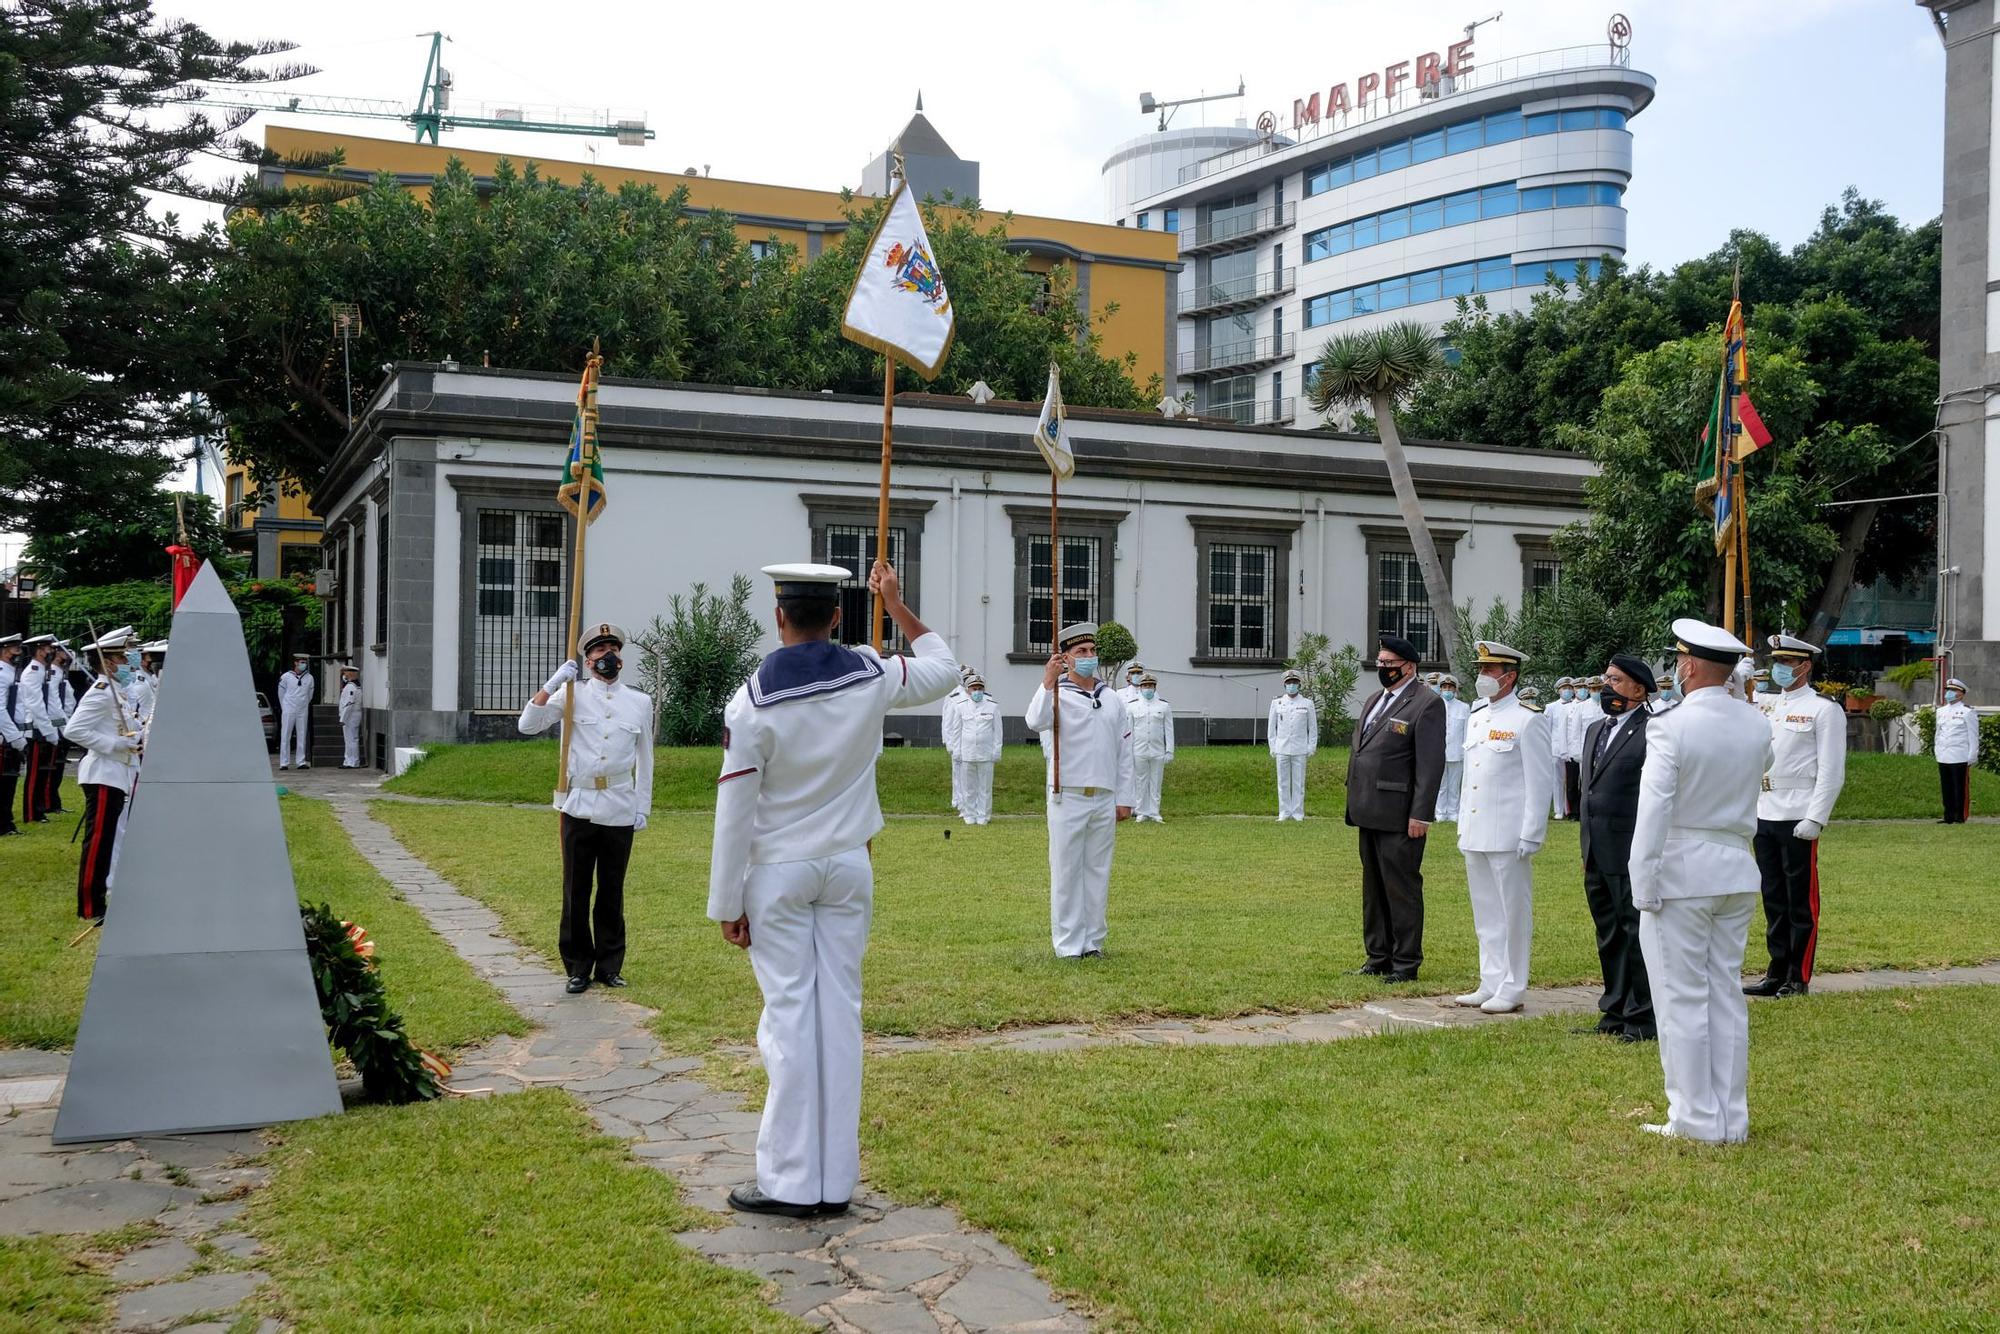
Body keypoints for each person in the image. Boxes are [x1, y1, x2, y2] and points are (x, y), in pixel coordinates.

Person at [708, 561, 957, 1218]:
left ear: (779, 616)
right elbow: (945, 667)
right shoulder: (872, 674)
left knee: (790, 1018)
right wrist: (898, 605)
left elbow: (735, 810)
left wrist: (726, 903)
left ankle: (792, 1180)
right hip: (848, 867)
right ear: (839, 616)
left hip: (780, 871)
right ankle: (834, 1180)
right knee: (838, 1014)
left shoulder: (752, 701)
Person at [1630, 619, 1771, 1143]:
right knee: (1724, 994)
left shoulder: (1670, 725)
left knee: (1681, 997)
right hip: (1736, 866)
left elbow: (1654, 811)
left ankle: (1693, 1118)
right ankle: (1731, 1116)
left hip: (1683, 870)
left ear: (1687, 666)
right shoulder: (1756, 723)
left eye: (1679, 660)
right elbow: (1767, 759)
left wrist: (1642, 880)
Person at [520, 620, 654, 994]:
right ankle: (578, 966)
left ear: (620, 659)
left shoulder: (639, 702)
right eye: (599, 651)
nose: (607, 656)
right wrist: (551, 685)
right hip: (577, 804)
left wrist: (642, 806)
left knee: (612, 890)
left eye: (613, 650)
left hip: (619, 805)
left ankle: (610, 966)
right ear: (587, 660)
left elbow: (646, 759)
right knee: (576, 890)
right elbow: (527, 725)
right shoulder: (572, 695)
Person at [1026, 622, 1135, 959]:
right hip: (1067, 794)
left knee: (1097, 871)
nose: (1089, 657)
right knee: (1067, 872)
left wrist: (1125, 798)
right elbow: (1035, 721)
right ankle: (1069, 944)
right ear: (1066, 658)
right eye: (1080, 653)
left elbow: (1123, 750)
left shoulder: (1112, 698)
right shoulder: (1057, 693)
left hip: (1103, 796)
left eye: (1092, 651)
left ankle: (1092, 942)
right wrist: (1047, 681)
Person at [1455, 640, 1552, 1014]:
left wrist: (1531, 832)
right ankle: (1490, 980)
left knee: (1513, 913)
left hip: (1509, 832)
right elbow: (1471, 779)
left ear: (1509, 677)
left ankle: (1513, 986)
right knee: (1486, 913)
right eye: (1481, 670)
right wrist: (1464, 825)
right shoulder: (1478, 715)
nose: (1482, 677)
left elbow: (1539, 781)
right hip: (1477, 829)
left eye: (1489, 671)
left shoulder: (1528, 718)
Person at [1746, 634, 1846, 999]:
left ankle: (1798, 975)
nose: (1780, 669)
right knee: (1773, 896)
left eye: (1787, 663)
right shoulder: (1769, 705)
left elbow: (1832, 771)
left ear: (1804, 666)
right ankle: (1776, 969)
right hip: (1765, 810)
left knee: (1799, 899)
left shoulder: (1824, 708)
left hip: (1798, 812)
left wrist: (1816, 817)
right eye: (1777, 662)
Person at [1344, 634, 1446, 982]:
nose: (1383, 669)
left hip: (1401, 814)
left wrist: (1421, 814)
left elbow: (1430, 766)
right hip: (1367, 809)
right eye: (1380, 663)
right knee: (1373, 889)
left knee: (1400, 889)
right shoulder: (1376, 698)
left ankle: (1405, 962)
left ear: (1409, 667)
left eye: (1389, 664)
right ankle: (1378, 956)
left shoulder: (1426, 703)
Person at [1576, 656, 1659, 1043]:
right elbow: (1587, 791)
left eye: (1616, 680)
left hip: (1630, 848)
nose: (1606, 686)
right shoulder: (1596, 728)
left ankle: (1642, 1016)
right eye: (1605, 679)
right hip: (1597, 848)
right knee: (1608, 932)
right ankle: (1613, 1009)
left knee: (1635, 933)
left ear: (1639, 690)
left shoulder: (1653, 730)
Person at [68, 628, 145, 921]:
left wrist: (133, 739)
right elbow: (74, 730)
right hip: (102, 775)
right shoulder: (101, 693)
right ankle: (90, 907)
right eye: (123, 657)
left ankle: (98, 900)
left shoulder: (116, 693)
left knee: (106, 839)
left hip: (117, 775)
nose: (128, 661)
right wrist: (115, 744)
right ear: (109, 662)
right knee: (98, 842)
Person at [17, 636, 58, 824]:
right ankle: (32, 813)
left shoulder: (42, 670)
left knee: (43, 772)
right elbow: (35, 704)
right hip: (35, 729)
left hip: (43, 727)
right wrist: (48, 730)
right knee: (35, 774)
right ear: (40, 650)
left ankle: (39, 809)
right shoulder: (33, 672)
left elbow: (51, 702)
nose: (52, 652)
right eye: (49, 649)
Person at [1268, 668, 1317, 821]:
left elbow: (1312, 727)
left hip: (1300, 748)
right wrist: (1273, 746)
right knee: (1282, 782)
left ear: (1299, 684)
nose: (1291, 685)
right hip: (1282, 747)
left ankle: (1297, 813)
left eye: (1294, 682)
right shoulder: (1277, 703)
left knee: (1298, 782)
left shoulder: (1307, 703)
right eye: (1289, 683)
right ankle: (1284, 812)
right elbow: (1272, 727)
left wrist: (1311, 746)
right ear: (1284, 685)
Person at [955, 674, 1002, 825]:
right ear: (968, 690)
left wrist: (997, 751)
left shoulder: (992, 706)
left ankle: (983, 816)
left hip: (986, 753)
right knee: (968, 787)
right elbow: (957, 731)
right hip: (967, 752)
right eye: (974, 688)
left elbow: (998, 732)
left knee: (985, 787)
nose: (977, 691)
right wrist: (957, 751)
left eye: (980, 688)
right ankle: (969, 814)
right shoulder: (961, 706)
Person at [1128, 673, 1174, 823]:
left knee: (1156, 781)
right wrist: (1128, 751)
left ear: (1155, 688)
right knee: (1140, 781)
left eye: (1150, 686)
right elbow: (1130, 731)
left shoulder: (1164, 706)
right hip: (1139, 749)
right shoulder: (1132, 706)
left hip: (1157, 750)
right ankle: (1141, 811)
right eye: (1145, 686)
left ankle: (1154, 811)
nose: (1148, 688)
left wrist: (1169, 750)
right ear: (1140, 688)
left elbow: (1169, 730)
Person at [1935, 677, 1976, 823]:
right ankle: (1948, 816)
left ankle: (1960, 816)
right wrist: (1937, 751)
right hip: (1944, 754)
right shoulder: (1941, 711)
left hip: (1960, 754)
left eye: (1953, 690)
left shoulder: (1967, 712)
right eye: (1948, 690)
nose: (1949, 693)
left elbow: (1973, 735)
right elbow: (1938, 733)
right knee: (1946, 787)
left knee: (1960, 787)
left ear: (1961, 693)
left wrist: (1972, 756)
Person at [44, 645, 74, 816]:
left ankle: (55, 802)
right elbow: (54, 704)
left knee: (58, 769)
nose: (67, 654)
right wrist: (64, 727)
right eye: (64, 650)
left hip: (64, 723)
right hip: (58, 726)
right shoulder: (53, 673)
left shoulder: (60, 673)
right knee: (52, 770)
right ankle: (50, 803)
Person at [1435, 674, 1470, 822]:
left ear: (1455, 690)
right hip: (1439, 752)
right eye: (1444, 687)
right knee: (1441, 785)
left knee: (1454, 785)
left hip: (1457, 752)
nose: (1447, 690)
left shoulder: (1463, 707)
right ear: (1440, 689)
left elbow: (1467, 730)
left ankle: (1453, 812)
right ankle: (1440, 812)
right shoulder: (1434, 705)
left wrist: (1465, 751)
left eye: (1450, 687)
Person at [0, 634, 24, 837]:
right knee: (4, 783)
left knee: (10, 782)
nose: (19, 654)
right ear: (5, 651)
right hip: (4, 738)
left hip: (13, 735)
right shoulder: (1, 673)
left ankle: (6, 822)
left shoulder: (12, 671)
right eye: (16, 650)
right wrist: (14, 736)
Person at [942, 665, 972, 813]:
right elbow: (947, 719)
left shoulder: (975, 694)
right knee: (958, 772)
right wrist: (948, 740)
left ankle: (967, 802)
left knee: (968, 773)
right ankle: (958, 800)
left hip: (971, 739)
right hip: (957, 738)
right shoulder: (954, 695)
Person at [276, 652, 313, 771]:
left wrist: (303, 705)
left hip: (302, 709)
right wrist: (285, 707)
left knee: (301, 734)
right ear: (295, 663)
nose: (303, 665)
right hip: (288, 708)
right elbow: (281, 693)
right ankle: (284, 762)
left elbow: (310, 695)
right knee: (285, 734)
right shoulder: (286, 676)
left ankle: (300, 761)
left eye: (305, 663)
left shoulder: (309, 677)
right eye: (301, 662)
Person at [1552, 677, 1580, 821]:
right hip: (1556, 748)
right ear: (1559, 690)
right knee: (1558, 780)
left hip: (1571, 749)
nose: (1568, 691)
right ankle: (1558, 809)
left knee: (1571, 780)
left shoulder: (1577, 706)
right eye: (1565, 688)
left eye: (1570, 688)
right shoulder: (1552, 707)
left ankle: (1568, 808)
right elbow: (1548, 729)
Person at [338, 664, 363, 768]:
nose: (344, 673)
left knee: (351, 739)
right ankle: (349, 761)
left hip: (351, 715)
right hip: (352, 715)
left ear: (351, 673)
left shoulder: (351, 687)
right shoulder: (353, 685)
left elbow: (349, 703)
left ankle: (352, 762)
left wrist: (343, 718)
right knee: (350, 739)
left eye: (346, 671)